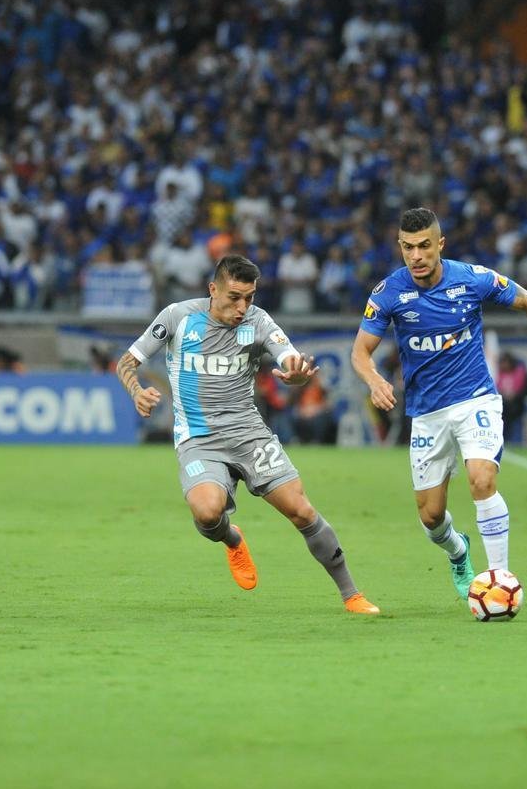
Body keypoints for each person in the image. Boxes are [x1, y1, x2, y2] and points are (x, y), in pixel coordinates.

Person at [351, 208, 527, 597]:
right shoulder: (389, 292)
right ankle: (458, 551)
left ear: (440, 245)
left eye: (423, 247)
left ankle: (499, 580)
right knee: (431, 517)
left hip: (475, 399)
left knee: (482, 480)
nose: (415, 256)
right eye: (407, 248)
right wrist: (374, 379)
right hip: (427, 413)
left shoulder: (471, 278)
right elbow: (360, 352)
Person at [116, 254, 379, 614]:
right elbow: (126, 362)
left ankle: (352, 594)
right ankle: (233, 538)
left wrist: (297, 373)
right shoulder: (178, 317)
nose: (242, 307)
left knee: (301, 511)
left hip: (249, 434)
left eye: (250, 297)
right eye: (234, 297)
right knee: (208, 513)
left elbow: (287, 355)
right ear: (213, 290)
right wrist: (136, 392)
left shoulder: (258, 321)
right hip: (199, 438)